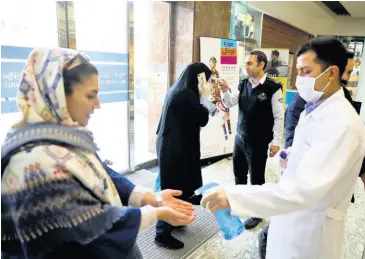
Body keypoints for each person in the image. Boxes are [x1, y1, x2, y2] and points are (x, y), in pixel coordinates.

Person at [1, 48, 195, 259]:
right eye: (90, 95)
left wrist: (149, 197)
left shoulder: (62, 138)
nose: (98, 104)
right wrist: (154, 213)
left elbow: (100, 171)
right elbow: (90, 227)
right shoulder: (32, 163)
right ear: (57, 95)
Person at [202, 38, 365, 259]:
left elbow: (303, 191)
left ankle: (252, 211)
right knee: (240, 173)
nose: (300, 81)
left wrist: (233, 197)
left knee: (256, 176)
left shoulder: (341, 122)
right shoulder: (316, 107)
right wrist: (292, 155)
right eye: (298, 72)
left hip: (312, 229)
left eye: (306, 71)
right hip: (289, 209)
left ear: (332, 72)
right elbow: (310, 149)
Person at [257, 50, 365, 258]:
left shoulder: (341, 101)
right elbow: (295, 135)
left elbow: (347, 141)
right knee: (285, 229)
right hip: (301, 186)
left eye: (349, 71)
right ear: (332, 71)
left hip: (318, 206)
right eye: (345, 71)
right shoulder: (306, 98)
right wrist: (292, 156)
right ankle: (266, 238)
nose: (347, 77)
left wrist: (363, 169)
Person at [217, 50, 284, 230]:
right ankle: (240, 204)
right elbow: (230, 102)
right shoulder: (243, 83)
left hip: (259, 141)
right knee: (239, 174)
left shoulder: (273, 88)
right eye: (245, 63)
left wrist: (276, 142)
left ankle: (257, 213)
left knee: (256, 179)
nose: (245, 67)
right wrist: (225, 90)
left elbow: (279, 117)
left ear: (261, 64)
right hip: (240, 138)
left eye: (249, 63)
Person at [154, 62, 216, 250]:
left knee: (177, 185)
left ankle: (176, 221)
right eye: (206, 80)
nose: (207, 84)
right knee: (174, 188)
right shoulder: (187, 95)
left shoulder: (178, 89)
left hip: (172, 146)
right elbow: (202, 118)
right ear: (199, 79)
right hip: (176, 150)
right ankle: (161, 233)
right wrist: (205, 98)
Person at [209, 57, 232, 140]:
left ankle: (228, 131)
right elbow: (209, 81)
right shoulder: (208, 72)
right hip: (211, 92)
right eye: (212, 62)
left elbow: (217, 81)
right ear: (209, 63)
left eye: (214, 62)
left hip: (217, 92)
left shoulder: (217, 72)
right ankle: (225, 132)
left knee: (225, 110)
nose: (213, 64)